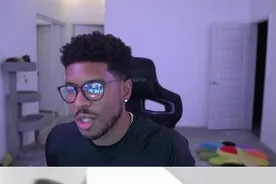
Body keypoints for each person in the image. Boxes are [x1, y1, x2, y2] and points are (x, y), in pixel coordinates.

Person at [45, 32, 195, 167]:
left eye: (94, 88)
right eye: (71, 89)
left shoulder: (170, 149)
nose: (78, 103)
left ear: (125, 91)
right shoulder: (58, 140)